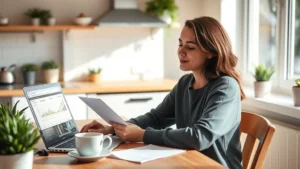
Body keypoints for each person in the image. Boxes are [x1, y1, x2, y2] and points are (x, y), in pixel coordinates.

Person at [81, 16, 246, 169]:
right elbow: (156, 118)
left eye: (190, 47)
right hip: (188, 163)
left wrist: (143, 135)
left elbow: (199, 137)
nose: (181, 52)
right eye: (180, 44)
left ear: (210, 52)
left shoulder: (226, 87)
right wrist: (113, 128)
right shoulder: (185, 83)